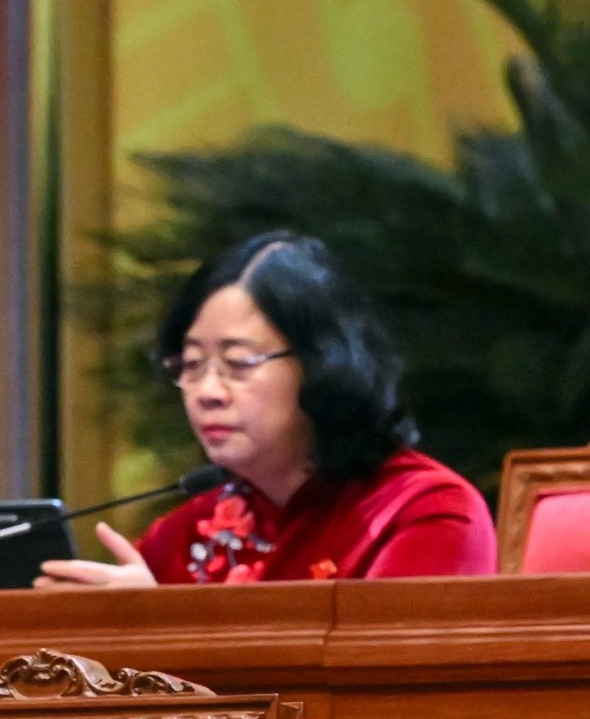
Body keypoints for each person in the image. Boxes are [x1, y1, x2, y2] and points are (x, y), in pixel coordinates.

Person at [36, 232, 496, 587]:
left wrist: (158, 634)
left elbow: (387, 690)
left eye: (238, 363)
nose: (207, 391)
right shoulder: (186, 535)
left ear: (320, 365)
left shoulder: (424, 512)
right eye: (191, 364)